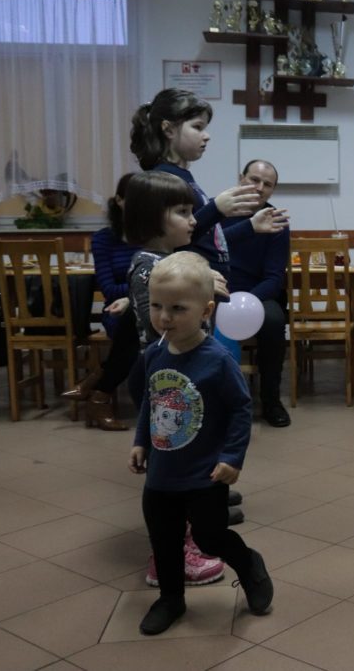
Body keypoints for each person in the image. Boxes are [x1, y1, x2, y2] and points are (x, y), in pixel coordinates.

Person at [128, 251, 273, 635]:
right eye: (156, 306)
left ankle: (248, 564)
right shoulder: (154, 354)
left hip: (205, 473)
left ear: (206, 311)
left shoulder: (217, 360)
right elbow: (151, 402)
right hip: (161, 474)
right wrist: (141, 441)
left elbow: (241, 409)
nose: (164, 317)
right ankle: (170, 599)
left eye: (177, 308)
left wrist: (232, 457)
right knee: (164, 539)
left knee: (210, 537)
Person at [122, 170, 233, 587]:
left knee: (187, 461)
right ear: (154, 218)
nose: (193, 220)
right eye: (183, 212)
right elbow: (163, 333)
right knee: (171, 472)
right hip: (165, 381)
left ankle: (185, 540)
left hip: (177, 380)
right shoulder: (150, 269)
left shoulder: (163, 264)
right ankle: (168, 556)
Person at [129, 88, 286, 280]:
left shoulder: (183, 176)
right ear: (169, 130)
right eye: (197, 127)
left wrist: (249, 226)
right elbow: (174, 241)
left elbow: (206, 239)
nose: (206, 135)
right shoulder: (164, 179)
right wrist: (216, 209)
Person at [62, 173, 140, 431]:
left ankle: (96, 386)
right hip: (116, 310)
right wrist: (142, 285)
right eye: (135, 199)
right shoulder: (104, 238)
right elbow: (109, 289)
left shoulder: (155, 235)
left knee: (139, 323)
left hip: (149, 308)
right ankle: (99, 393)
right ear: (119, 201)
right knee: (132, 325)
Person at [228, 160, 292, 427]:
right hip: (216, 290)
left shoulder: (276, 221)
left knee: (275, 320)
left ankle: (271, 400)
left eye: (267, 184)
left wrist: (247, 302)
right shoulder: (217, 210)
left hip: (257, 294)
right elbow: (208, 246)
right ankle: (213, 400)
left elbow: (274, 277)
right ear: (240, 178)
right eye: (254, 179)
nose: (259, 187)